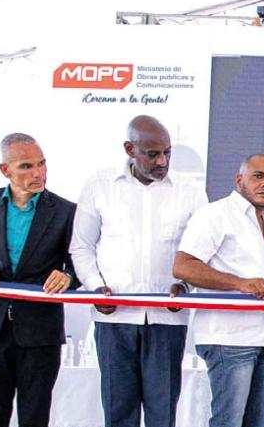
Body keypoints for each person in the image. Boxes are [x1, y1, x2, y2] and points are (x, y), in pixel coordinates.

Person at [70, 115, 207, 427]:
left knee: (163, 415)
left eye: (168, 153)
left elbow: (201, 253)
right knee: (118, 413)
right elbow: (81, 246)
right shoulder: (99, 185)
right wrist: (95, 287)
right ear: (130, 149)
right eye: (153, 154)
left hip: (167, 320)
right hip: (113, 320)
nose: (163, 161)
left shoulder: (191, 192)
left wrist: (184, 287)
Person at [172, 154, 264, 427]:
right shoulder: (215, 214)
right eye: (258, 176)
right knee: (227, 422)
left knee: (257, 422)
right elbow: (183, 266)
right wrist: (239, 283)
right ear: (239, 180)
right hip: (227, 337)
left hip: (262, 337)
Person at [0, 133, 77, 427]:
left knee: (35, 418)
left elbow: (80, 264)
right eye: (26, 166)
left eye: (41, 164)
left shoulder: (67, 212)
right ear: (5, 170)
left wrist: (68, 275)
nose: (38, 173)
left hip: (40, 333)